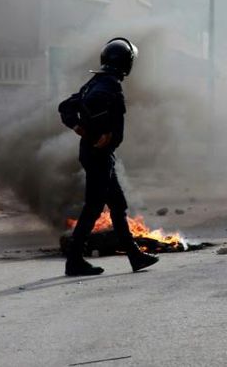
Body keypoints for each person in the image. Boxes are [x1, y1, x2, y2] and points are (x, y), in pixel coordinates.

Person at [59, 37, 159, 277]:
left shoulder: (96, 81)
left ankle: (134, 255)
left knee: (117, 206)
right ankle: (74, 260)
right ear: (126, 63)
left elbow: (67, 107)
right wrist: (101, 131)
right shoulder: (108, 85)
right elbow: (88, 106)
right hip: (97, 155)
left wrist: (79, 126)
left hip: (100, 154)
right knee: (93, 208)